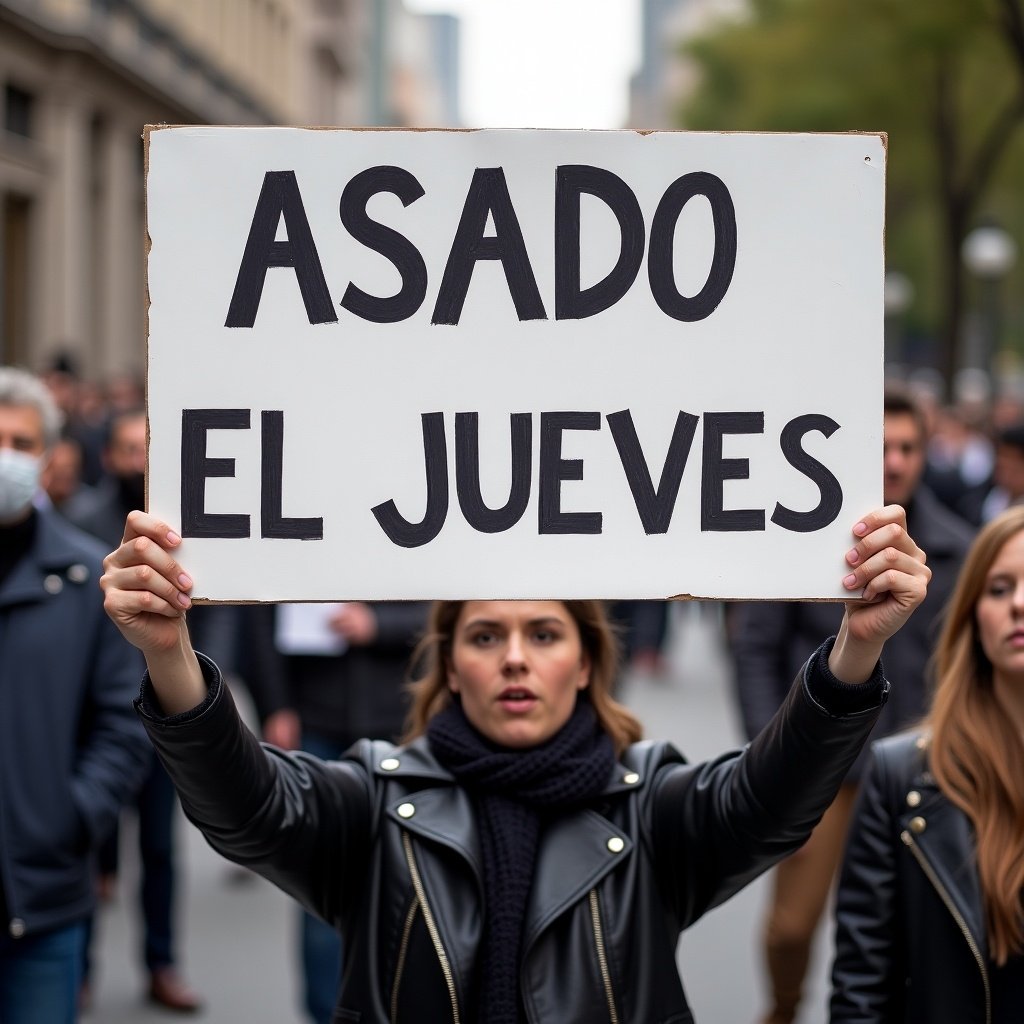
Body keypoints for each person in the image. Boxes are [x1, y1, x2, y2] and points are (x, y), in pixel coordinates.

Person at [100, 502, 929, 1024]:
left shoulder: (650, 810)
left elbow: (770, 799)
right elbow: (247, 809)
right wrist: (171, 657)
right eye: (486, 636)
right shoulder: (375, 804)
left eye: (544, 634)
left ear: (586, 660)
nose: (516, 660)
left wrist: (855, 649)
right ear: (451, 664)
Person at [728, 384, 974, 1024]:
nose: (894, 460)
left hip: (923, 767)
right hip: (823, 766)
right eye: (882, 446)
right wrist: (773, 750)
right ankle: (780, 1010)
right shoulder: (803, 532)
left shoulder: (955, 546)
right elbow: (755, 644)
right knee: (791, 928)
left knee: (905, 931)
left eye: (908, 446)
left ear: (925, 451)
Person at [831, 505, 1024, 1022]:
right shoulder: (901, 774)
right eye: (1001, 588)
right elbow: (861, 985)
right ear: (972, 616)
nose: (1019, 604)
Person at [0, 367, 150, 1024]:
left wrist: (71, 815)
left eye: (22, 443)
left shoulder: (88, 576)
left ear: (51, 456)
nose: (6, 456)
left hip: (43, 898)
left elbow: (123, 723)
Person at [67, 407, 203, 1013]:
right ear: (109, 456)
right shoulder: (82, 526)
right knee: (89, 846)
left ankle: (161, 962)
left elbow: (208, 615)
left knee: (158, 850)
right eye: (126, 449)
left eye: (143, 450)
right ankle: (81, 967)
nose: (135, 461)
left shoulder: (184, 530)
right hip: (98, 718)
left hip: (159, 713)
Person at [240, 600, 427, 1024]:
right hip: (317, 722)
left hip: (401, 725)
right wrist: (275, 705)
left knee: (411, 881)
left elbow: (444, 605)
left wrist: (378, 624)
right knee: (320, 881)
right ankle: (325, 1013)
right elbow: (259, 618)